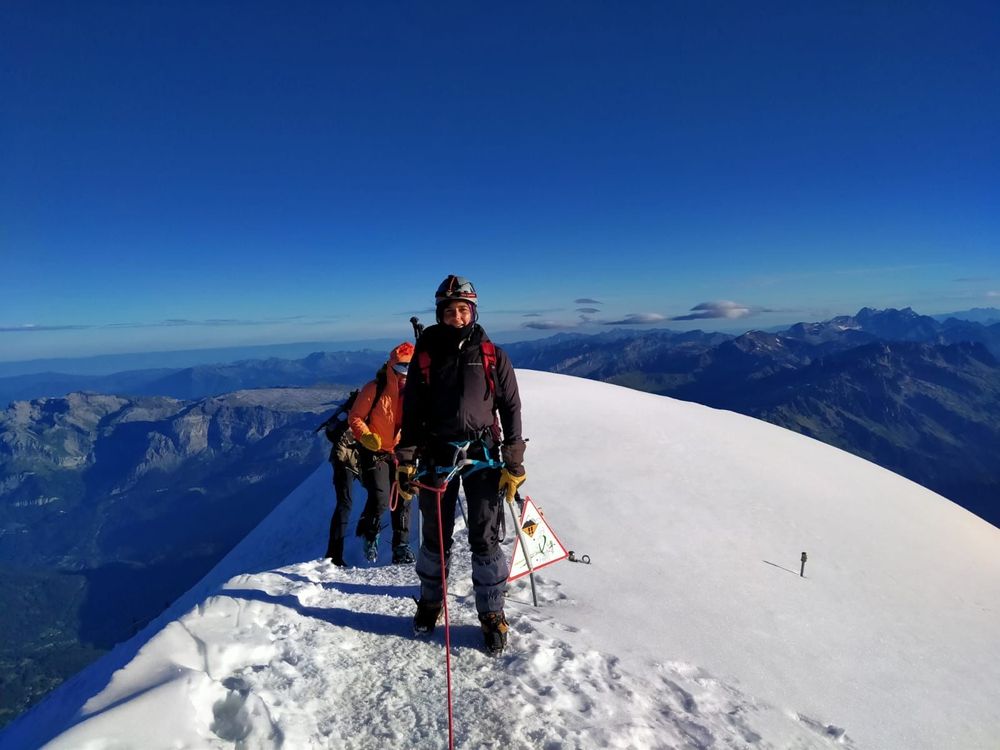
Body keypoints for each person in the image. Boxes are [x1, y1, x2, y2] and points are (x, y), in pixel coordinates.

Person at [395, 275, 526, 655]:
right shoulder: (424, 356)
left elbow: (511, 408)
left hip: (483, 453)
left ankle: (491, 612)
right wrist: (406, 461)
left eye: (462, 309)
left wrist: (513, 460)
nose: (456, 316)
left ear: (473, 311)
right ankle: (432, 602)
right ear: (440, 313)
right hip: (436, 453)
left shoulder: (492, 355)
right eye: (449, 310)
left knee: (484, 537)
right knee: (435, 536)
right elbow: (413, 411)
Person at [349, 342, 416, 564]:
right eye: (401, 367)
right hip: (375, 450)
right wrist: (366, 436)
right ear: (391, 366)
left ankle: (401, 546)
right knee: (379, 497)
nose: (405, 373)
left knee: (403, 496)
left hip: (403, 451)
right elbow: (355, 417)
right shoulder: (374, 389)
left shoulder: (419, 391)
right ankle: (370, 532)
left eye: (410, 367)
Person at [321, 397, 360, 566]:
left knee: (344, 504)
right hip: (346, 462)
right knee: (345, 504)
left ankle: (334, 553)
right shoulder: (356, 418)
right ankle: (335, 555)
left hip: (344, 462)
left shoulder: (352, 415)